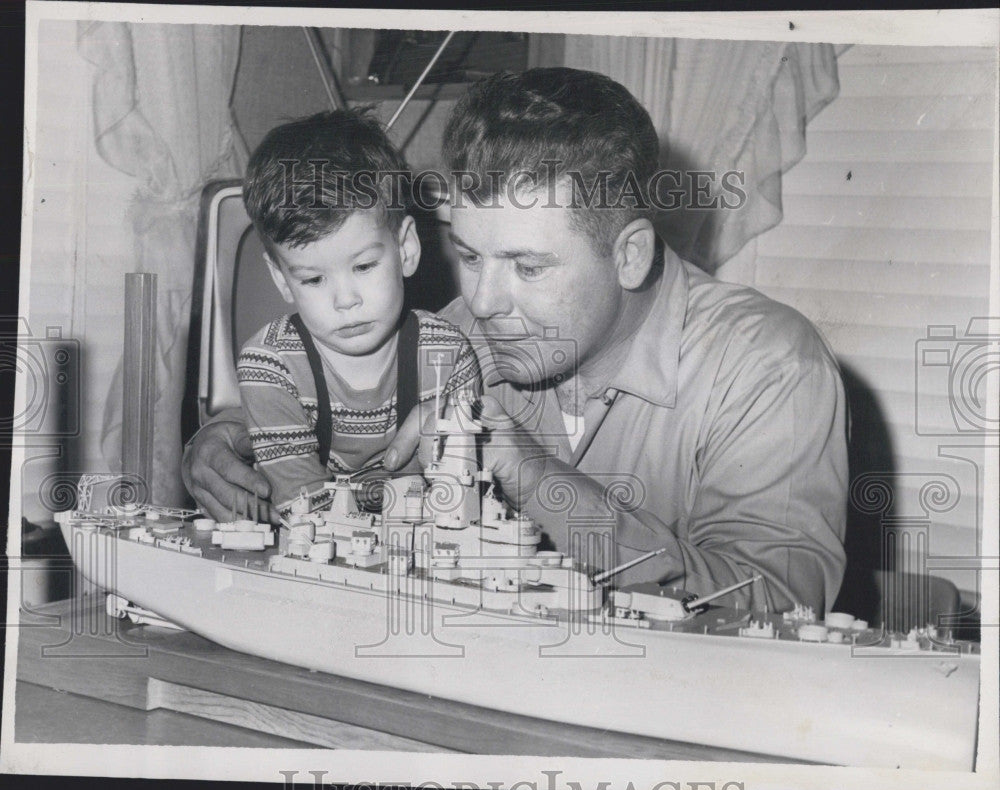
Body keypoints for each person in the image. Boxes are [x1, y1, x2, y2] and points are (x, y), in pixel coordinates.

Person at [184, 69, 847, 614]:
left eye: (529, 268)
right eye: (469, 257)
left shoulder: (770, 368)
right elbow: (340, 395)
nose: (482, 301)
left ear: (630, 255)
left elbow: (779, 606)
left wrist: (531, 472)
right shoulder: (469, 332)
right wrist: (226, 434)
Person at [232, 108, 479, 517]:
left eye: (364, 267)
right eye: (313, 280)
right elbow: (303, 506)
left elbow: (457, 494)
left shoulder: (448, 354)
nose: (345, 301)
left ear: (406, 250)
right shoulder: (269, 366)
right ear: (281, 279)